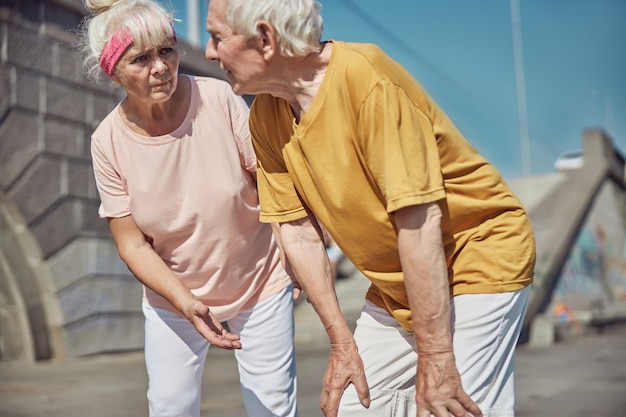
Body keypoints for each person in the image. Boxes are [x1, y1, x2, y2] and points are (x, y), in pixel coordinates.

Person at [205, 1, 536, 416]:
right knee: (354, 406)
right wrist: (341, 341)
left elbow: (418, 223)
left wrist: (435, 357)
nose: (209, 52)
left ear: (267, 39)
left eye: (218, 37)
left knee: (448, 404)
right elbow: (297, 230)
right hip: (399, 283)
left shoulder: (367, 80)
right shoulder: (266, 115)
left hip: (479, 254)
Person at [78, 1, 300, 416]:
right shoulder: (106, 142)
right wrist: (185, 302)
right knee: (169, 406)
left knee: (272, 406)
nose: (160, 66)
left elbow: (269, 180)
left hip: (259, 279)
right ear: (113, 69)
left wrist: (294, 250)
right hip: (174, 297)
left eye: (166, 50)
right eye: (141, 58)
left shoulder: (217, 97)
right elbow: (133, 245)